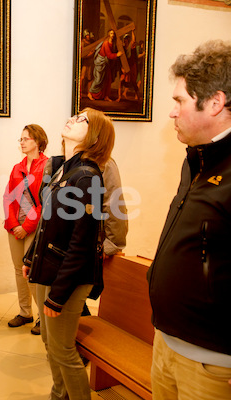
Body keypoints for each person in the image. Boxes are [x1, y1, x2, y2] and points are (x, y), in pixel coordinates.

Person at [148, 40, 231, 400]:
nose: (172, 112)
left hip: (211, 363)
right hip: (166, 342)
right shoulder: (195, 160)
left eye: (179, 100)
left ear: (215, 102)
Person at [23, 108, 115, 400]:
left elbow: (81, 243)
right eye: (76, 115)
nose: (73, 118)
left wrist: (58, 294)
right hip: (48, 265)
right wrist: (30, 257)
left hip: (68, 276)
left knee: (63, 350)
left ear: (94, 135)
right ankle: (58, 395)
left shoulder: (87, 177)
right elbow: (48, 222)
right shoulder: (65, 168)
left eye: (82, 119)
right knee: (51, 344)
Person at [3, 124, 49, 335]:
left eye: (26, 139)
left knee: (32, 271)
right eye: (20, 139)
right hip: (15, 227)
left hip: (35, 227)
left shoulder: (48, 167)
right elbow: (8, 198)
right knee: (17, 270)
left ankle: (42, 316)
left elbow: (45, 201)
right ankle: (25, 312)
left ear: (38, 142)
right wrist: (13, 225)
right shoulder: (17, 167)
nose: (21, 142)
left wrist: (26, 226)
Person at [88, 29, 123, 101]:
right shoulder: (106, 43)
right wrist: (117, 55)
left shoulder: (113, 43)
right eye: (111, 33)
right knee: (98, 79)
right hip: (100, 62)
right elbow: (109, 55)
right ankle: (90, 93)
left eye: (113, 33)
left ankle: (106, 96)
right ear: (108, 35)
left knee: (108, 79)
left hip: (106, 63)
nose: (112, 35)